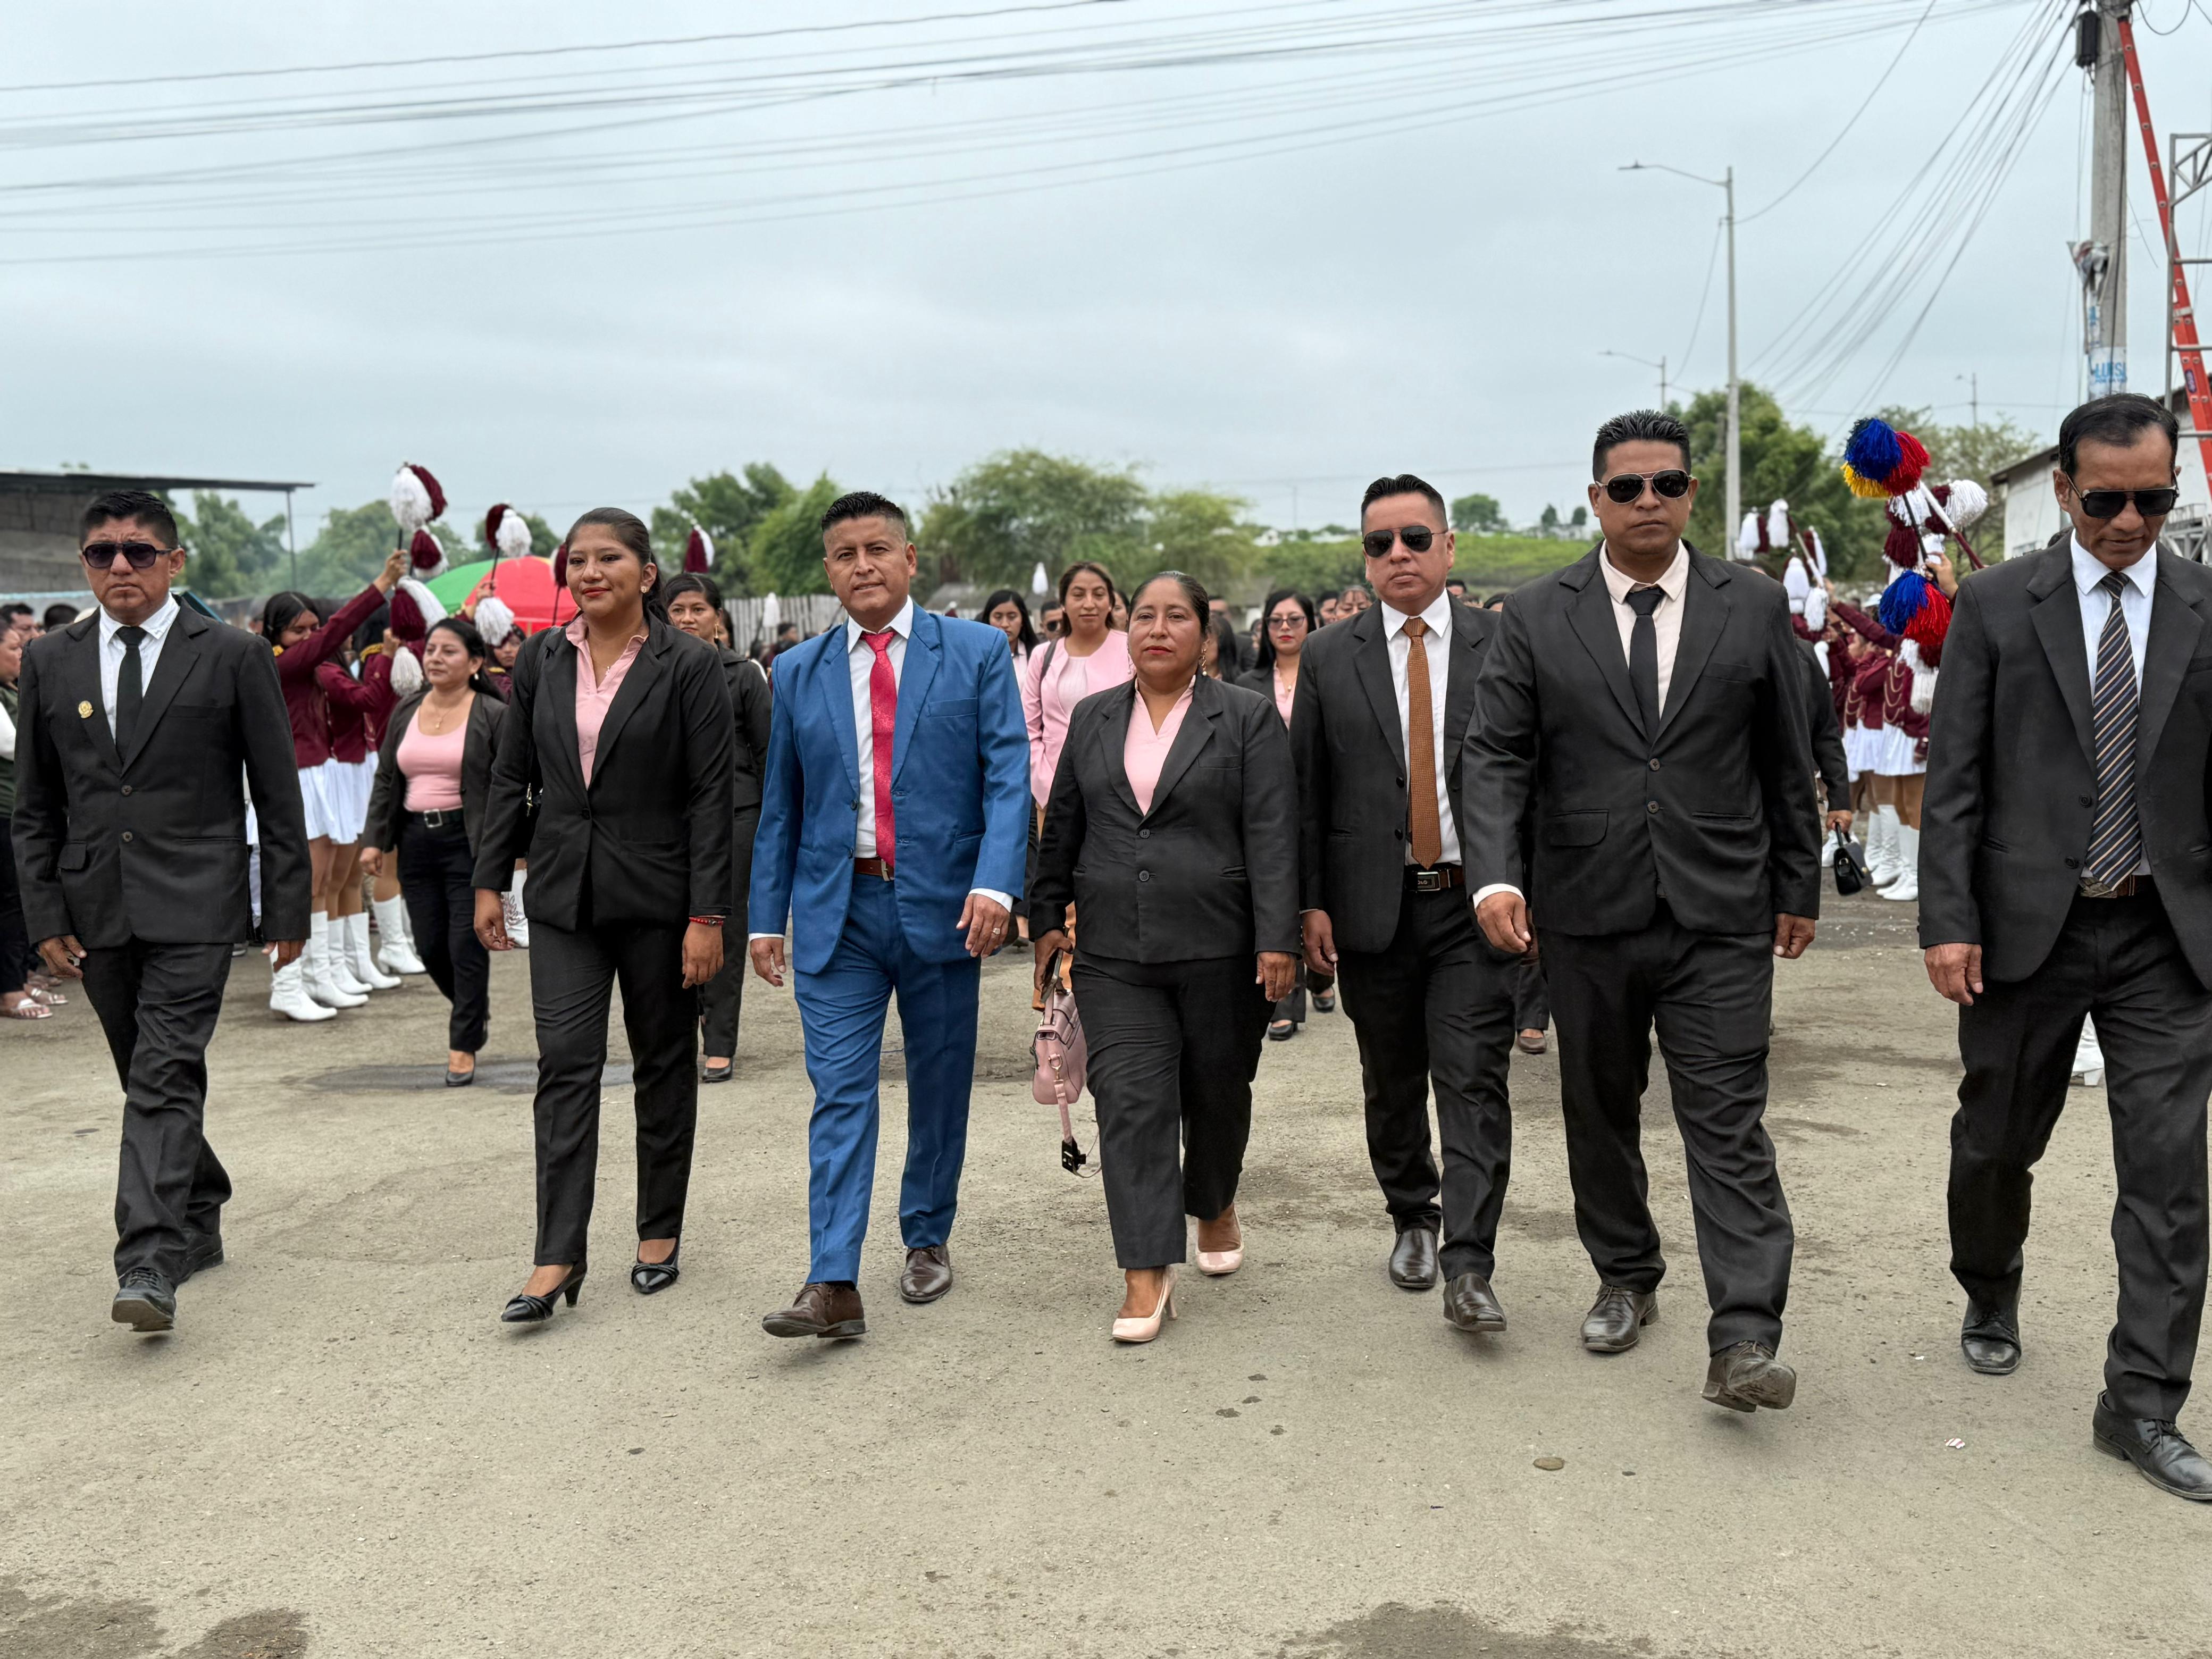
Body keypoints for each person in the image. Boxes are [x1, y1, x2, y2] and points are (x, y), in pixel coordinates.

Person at [1467, 410, 1820, 1413]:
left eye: (1666, 484)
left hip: (1722, 910)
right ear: (1597, 500)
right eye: (1627, 487)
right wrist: (1496, 877)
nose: (1648, 502)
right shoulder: (1538, 615)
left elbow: (1785, 754)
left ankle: (1744, 1336)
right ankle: (1625, 1276)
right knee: (1600, 1108)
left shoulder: (1753, 606)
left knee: (1728, 1121)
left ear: (1691, 494)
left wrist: (1797, 885)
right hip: (1585, 909)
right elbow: (1496, 756)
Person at [1920, 393, 2212, 1501]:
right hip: (2023, 930)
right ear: (2063, 489)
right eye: (2106, 501)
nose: (2129, 522)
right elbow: (1955, 776)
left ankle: (2141, 1404)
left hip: (2165, 934)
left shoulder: (2203, 605)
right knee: (1997, 1141)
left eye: (2153, 500)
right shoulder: (1999, 604)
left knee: (2169, 1175)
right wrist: (1948, 920)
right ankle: (1989, 1281)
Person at [12, 490, 311, 1332]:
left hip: (199, 901)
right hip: (95, 903)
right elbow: (36, 805)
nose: (120, 566)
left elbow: (276, 791)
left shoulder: (231, 655)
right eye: (102, 553)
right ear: (83, 565)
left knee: (163, 1072)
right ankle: (201, 1204)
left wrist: (287, 906)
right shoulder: (51, 661)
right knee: (147, 1072)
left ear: (174, 562)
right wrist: (44, 913)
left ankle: (148, 1257)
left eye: (139, 552)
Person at [750, 491, 1027, 1341]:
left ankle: (926, 1235)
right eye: (845, 554)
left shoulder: (976, 651)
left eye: (877, 549)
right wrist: (765, 917)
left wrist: (996, 885)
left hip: (946, 909)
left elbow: (1007, 776)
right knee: (840, 1091)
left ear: (911, 559)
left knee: (938, 1085)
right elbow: (781, 806)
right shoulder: (797, 671)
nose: (862, 565)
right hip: (837, 914)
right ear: (828, 571)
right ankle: (832, 1278)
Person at [472, 508, 735, 1321]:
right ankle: (557, 1255)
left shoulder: (689, 665)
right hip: (563, 896)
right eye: (577, 560)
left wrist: (707, 916)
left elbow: (710, 798)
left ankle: (659, 1231)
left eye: (609, 558)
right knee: (565, 1065)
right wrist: (489, 879)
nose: (590, 572)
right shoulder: (543, 658)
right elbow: (512, 772)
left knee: (662, 1064)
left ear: (646, 574)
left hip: (659, 897)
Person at [1032, 571, 1297, 1342]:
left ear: (1204, 636)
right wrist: (1046, 916)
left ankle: (1212, 1200)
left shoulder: (1244, 717)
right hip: (1115, 949)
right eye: (1143, 614)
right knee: (1130, 1101)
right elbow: (1064, 824)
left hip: (1221, 947)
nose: (1156, 628)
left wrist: (1276, 938)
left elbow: (1273, 831)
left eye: (1175, 616)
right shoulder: (1093, 716)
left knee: (1216, 1093)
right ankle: (1145, 1271)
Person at [1291, 474, 1518, 1336]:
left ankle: (1471, 1261)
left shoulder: (1503, 643)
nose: (1399, 555)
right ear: (1365, 560)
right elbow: (1306, 792)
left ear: (1448, 548)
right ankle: (1413, 1217)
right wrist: (1310, 903)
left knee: (1473, 1079)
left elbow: (1533, 772)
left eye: (1415, 538)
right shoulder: (1328, 656)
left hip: (1473, 906)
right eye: (1380, 543)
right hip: (1372, 909)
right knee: (1390, 1081)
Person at [361, 616, 508, 1087]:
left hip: (468, 843)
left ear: (475, 662)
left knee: (466, 945)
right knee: (429, 947)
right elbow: (387, 778)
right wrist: (374, 840)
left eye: (449, 651)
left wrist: (510, 851)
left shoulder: (492, 714)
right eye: (431, 650)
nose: (436, 659)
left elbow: (508, 787)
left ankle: (462, 1044)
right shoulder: (407, 709)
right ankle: (473, 1009)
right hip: (416, 842)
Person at [261, 552, 407, 1018]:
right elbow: (337, 632)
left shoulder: (308, 664)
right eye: (297, 630)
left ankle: (321, 975)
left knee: (325, 881)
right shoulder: (281, 663)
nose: (308, 637)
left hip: (321, 773)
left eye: (312, 628)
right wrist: (381, 583)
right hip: (299, 777)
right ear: (275, 635)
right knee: (306, 884)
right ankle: (288, 983)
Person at [663, 572, 773, 1085]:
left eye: (698, 609)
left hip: (736, 816)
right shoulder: (649, 673)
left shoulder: (743, 674)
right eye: (677, 610)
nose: (687, 619)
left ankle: (720, 1041)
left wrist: (774, 826)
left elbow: (768, 752)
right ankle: (683, 1027)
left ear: (717, 617)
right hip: (668, 819)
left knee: (722, 924)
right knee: (669, 925)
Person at [1237, 588, 1334, 1038]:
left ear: (1311, 623)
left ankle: (1321, 974)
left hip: (1321, 801)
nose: (1285, 628)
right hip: (1266, 803)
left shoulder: (1329, 675)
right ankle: (1284, 1000)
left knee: (1316, 892)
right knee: (1279, 892)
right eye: (1276, 620)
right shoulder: (1247, 683)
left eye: (1295, 619)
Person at [1023, 562, 1133, 819]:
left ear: (1110, 602)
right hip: (1052, 797)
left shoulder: (1132, 650)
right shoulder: (1043, 655)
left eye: (1099, 594)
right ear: (1063, 603)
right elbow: (1027, 728)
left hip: (1120, 794)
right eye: (1078, 594)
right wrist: (1047, 788)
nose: (1089, 604)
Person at [0, 623, 45, 1020]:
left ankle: (21, 977)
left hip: (16, 810)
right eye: (14, 647)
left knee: (21, 899)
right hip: (4, 813)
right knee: (12, 902)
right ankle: (11, 989)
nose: (21, 654)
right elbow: (12, 745)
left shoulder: (11, 690)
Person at [982, 589, 1038, 670]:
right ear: (988, 620)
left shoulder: (1037, 655)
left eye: (1012, 617)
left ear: (1023, 620)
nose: (1005, 624)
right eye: (998, 617)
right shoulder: (978, 656)